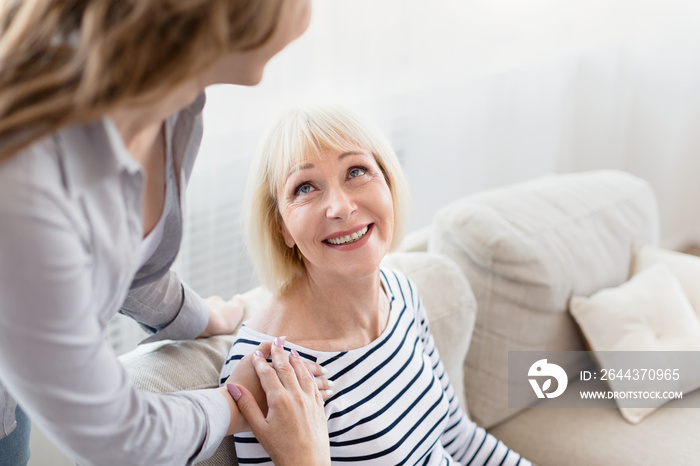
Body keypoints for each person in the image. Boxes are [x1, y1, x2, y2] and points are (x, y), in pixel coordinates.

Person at [0, 1, 331, 465]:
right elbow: (120, 439)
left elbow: (116, 253)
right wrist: (235, 403)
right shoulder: (23, 184)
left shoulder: (174, 105)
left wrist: (198, 318)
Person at [220, 103, 533, 465]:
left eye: (356, 171)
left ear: (387, 182)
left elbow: (457, 436)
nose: (341, 206)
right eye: (305, 187)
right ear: (280, 227)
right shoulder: (269, 371)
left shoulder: (399, 291)